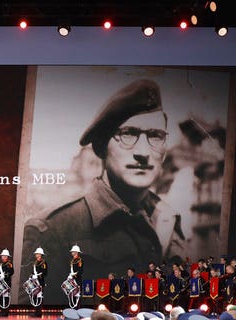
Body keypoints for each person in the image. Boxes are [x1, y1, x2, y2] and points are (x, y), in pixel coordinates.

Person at [20, 79, 186, 303]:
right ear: (101, 147)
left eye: (155, 136)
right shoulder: (51, 231)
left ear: (164, 151)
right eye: (128, 134)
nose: (143, 152)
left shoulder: (167, 221)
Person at [0, 249, 14, 316]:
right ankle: (2, 311)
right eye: (2, 256)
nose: (2, 257)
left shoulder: (9, 264)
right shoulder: (0, 265)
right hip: (0, 283)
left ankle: (5, 312)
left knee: (6, 298)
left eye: (3, 256)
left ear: (6, 256)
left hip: (6, 283)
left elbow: (11, 272)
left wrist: (5, 275)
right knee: (0, 297)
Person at [30, 247, 48, 317]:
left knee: (39, 297)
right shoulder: (35, 263)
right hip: (34, 283)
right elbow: (33, 272)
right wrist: (31, 276)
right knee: (34, 297)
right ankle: (36, 312)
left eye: (37, 253)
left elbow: (44, 273)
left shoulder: (44, 263)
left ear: (40, 254)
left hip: (40, 283)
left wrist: (37, 276)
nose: (36, 254)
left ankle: (39, 313)